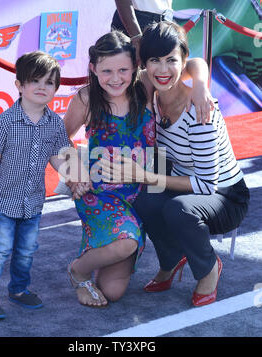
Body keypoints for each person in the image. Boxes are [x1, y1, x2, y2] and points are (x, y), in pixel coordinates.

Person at [100, 21, 250, 307]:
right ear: (144, 64)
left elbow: (207, 185)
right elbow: (191, 63)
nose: (163, 69)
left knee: (176, 208)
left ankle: (208, 269)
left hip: (225, 196)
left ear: (182, 62)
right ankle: (171, 260)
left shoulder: (200, 111)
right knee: (144, 201)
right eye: (155, 60)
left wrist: (145, 174)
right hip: (183, 182)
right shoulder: (152, 92)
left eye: (171, 60)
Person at [63, 28, 213, 308]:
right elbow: (58, 137)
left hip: (143, 197)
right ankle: (79, 270)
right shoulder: (86, 99)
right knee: (126, 244)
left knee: (112, 292)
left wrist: (201, 85)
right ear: (93, 68)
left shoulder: (143, 87)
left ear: (136, 67)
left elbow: (190, 62)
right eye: (106, 71)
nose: (116, 78)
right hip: (102, 196)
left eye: (123, 69)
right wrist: (74, 173)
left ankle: (106, 246)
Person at [0, 51, 72, 320]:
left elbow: (55, 156)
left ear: (56, 88)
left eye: (49, 82)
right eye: (35, 80)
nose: (42, 87)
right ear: (19, 85)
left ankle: (18, 290)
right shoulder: (5, 121)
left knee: (26, 251)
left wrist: (71, 175)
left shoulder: (54, 123)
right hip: (3, 202)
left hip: (33, 202)